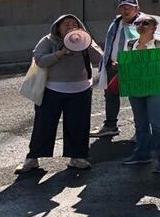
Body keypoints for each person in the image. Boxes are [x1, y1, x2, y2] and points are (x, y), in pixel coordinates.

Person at [16, 14, 104, 173]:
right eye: (66, 24)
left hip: (80, 90)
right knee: (44, 125)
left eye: (74, 24)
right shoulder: (49, 41)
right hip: (52, 90)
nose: (70, 27)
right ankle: (32, 158)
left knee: (78, 125)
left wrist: (88, 44)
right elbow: (40, 60)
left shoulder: (85, 40)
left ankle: (77, 157)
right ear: (58, 28)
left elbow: (99, 58)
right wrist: (60, 53)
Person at [120, 14, 160, 173]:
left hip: (157, 88)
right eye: (138, 23)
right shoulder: (130, 44)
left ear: (154, 27)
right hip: (136, 87)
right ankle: (142, 154)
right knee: (140, 123)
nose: (141, 25)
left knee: (156, 123)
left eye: (145, 23)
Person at [91, 0, 145, 138]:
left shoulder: (144, 24)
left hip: (133, 68)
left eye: (129, 7)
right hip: (113, 66)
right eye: (122, 7)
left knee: (137, 99)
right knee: (110, 95)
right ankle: (110, 126)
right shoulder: (117, 22)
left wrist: (126, 63)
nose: (125, 10)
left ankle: (140, 130)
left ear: (137, 8)